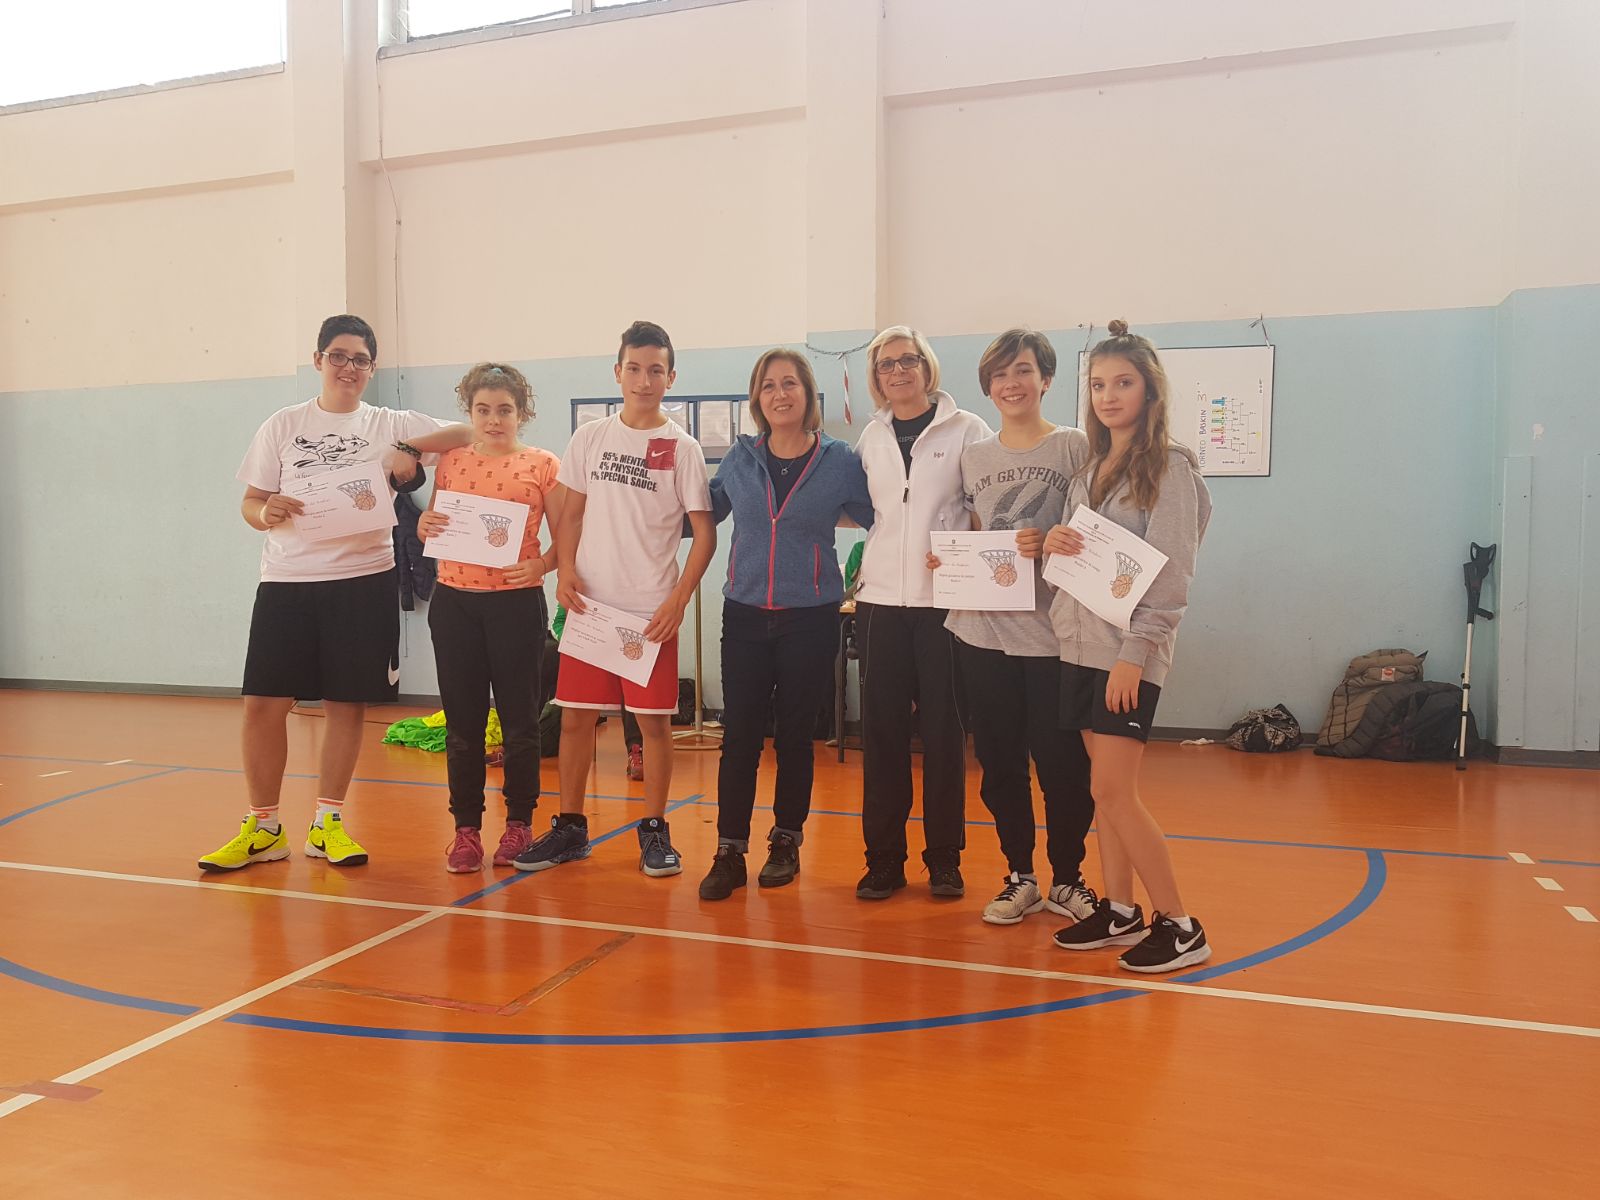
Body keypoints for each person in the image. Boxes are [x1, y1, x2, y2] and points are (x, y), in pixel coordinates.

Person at [199, 314, 469, 872]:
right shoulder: (284, 424)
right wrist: (264, 512)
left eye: (360, 360)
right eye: (339, 356)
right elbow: (251, 502)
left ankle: (327, 824)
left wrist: (405, 446)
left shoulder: (389, 421)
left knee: (346, 704)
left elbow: (466, 434)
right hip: (288, 580)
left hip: (364, 580)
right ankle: (264, 827)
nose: (349, 367)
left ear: (372, 368)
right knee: (263, 704)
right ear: (319, 359)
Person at [514, 321, 715, 877]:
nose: (644, 380)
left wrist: (678, 600)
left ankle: (655, 831)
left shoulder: (682, 448)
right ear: (617, 372)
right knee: (575, 721)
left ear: (671, 377)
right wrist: (563, 570)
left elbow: (704, 534)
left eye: (656, 370)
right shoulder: (589, 438)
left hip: (649, 614)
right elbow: (570, 513)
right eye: (634, 368)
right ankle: (571, 829)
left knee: (653, 727)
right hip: (590, 609)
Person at [1044, 320, 1214, 972]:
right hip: (1078, 647)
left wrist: (1134, 654)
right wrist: (1056, 543)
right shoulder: (1088, 471)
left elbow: (1172, 574)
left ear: (1150, 391)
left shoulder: (1170, 469)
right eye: (1098, 385)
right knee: (1102, 790)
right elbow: (1074, 562)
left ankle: (1182, 926)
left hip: (1125, 656)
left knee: (1115, 791)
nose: (1109, 396)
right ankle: (1119, 909)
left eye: (1123, 383)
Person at [928, 329, 1098, 926]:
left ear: (1045, 379)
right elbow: (978, 535)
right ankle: (1020, 875)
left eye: (1022, 371)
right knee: (1000, 766)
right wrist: (950, 561)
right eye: (999, 375)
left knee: (1063, 767)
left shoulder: (1073, 446)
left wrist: (1051, 542)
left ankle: (1068, 878)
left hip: (1054, 638)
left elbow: (1095, 535)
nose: (1011, 384)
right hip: (982, 636)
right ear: (988, 387)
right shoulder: (975, 456)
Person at [697, 350, 874, 900]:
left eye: (790, 383)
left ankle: (785, 841)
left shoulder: (839, 460)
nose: (780, 393)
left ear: (808, 393)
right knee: (740, 737)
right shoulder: (740, 459)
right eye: (769, 385)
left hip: (810, 617)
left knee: (796, 737)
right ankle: (729, 849)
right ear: (758, 398)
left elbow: (884, 519)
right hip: (745, 614)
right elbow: (700, 515)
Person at [852, 326, 992, 900]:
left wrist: (963, 555)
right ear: (876, 377)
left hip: (945, 606)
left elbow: (986, 511)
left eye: (907, 360)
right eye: (886, 364)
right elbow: (870, 513)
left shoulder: (968, 430)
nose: (898, 371)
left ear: (926, 366)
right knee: (882, 737)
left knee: (943, 734)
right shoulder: (870, 436)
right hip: (880, 604)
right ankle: (884, 859)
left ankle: (944, 858)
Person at [419, 364, 562, 873]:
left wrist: (542, 565)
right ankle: (466, 830)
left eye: (504, 409)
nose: (494, 419)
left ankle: (519, 823)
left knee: (520, 722)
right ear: (470, 412)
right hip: (454, 604)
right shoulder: (452, 460)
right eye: (483, 410)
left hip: (516, 605)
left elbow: (569, 536)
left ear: (522, 412)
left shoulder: (543, 464)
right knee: (463, 725)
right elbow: (434, 519)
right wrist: (424, 523)